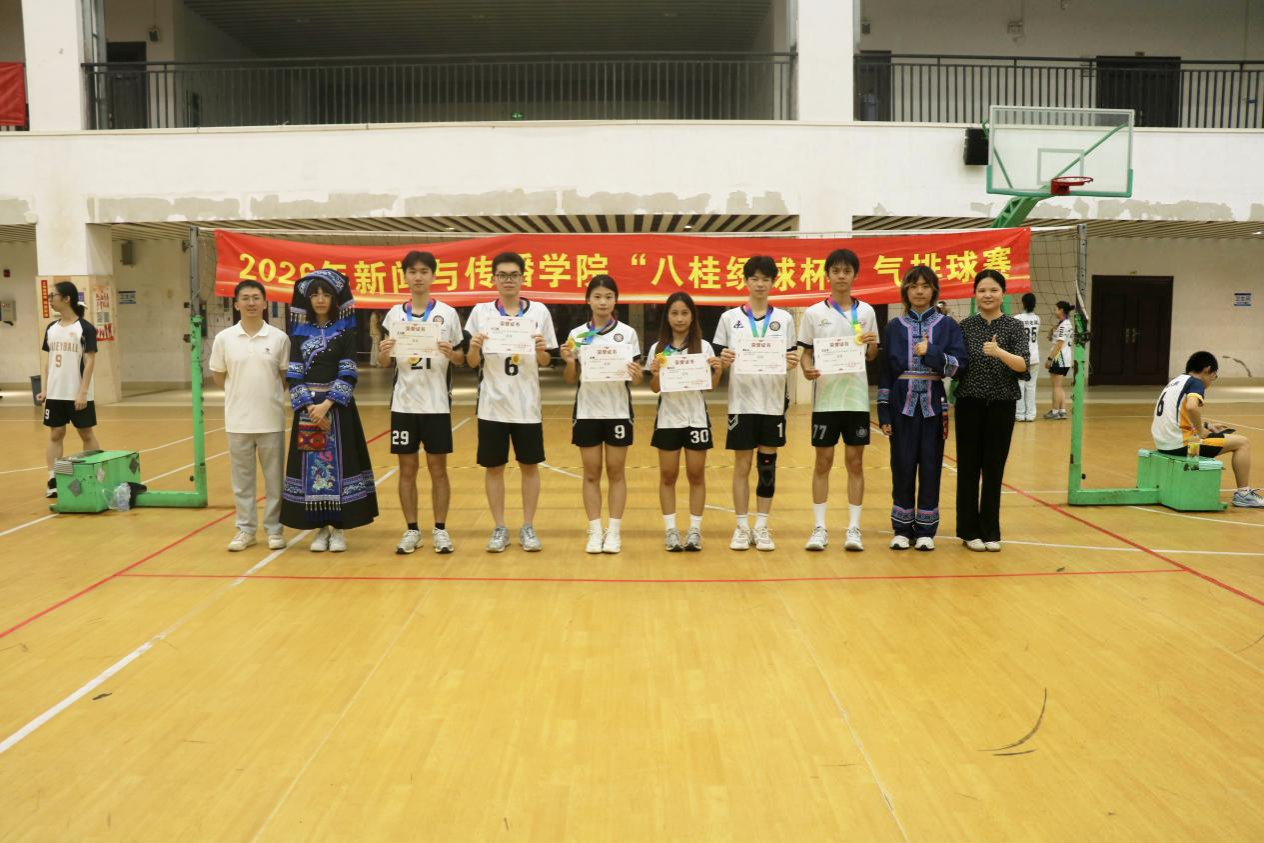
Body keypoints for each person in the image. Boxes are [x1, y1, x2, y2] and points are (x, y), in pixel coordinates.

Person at [465, 251, 559, 552]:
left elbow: (546, 361)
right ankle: (499, 527)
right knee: (494, 468)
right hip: (492, 404)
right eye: (502, 275)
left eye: (514, 275)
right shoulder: (481, 312)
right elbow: (471, 362)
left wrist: (541, 350)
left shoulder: (539, 312)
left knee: (529, 466)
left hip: (527, 405)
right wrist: (474, 347)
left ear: (522, 278)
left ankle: (528, 526)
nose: (508, 280)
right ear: (493, 279)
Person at [281, 269, 378, 551]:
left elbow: (349, 372)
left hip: (337, 410)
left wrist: (326, 404)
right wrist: (310, 407)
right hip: (308, 410)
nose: (320, 299)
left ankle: (338, 530)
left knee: (342, 467)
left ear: (335, 299)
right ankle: (319, 529)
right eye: (315, 294)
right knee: (310, 470)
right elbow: (294, 374)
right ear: (308, 300)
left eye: (326, 294)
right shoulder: (299, 334)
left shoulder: (345, 332)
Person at [378, 250, 466, 555]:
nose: (418, 277)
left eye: (424, 271)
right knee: (407, 469)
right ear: (405, 276)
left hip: (437, 404)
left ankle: (440, 529)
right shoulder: (394, 315)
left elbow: (461, 359)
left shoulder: (448, 314)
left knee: (438, 469)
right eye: (413, 271)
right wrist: (384, 352)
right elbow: (384, 364)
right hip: (403, 405)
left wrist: (451, 353)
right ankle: (412, 530)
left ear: (433, 276)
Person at [877, 265, 967, 551]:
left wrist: (932, 353)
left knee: (930, 465)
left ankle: (927, 530)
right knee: (901, 465)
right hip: (901, 406)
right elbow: (885, 373)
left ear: (934, 291)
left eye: (925, 286)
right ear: (905, 290)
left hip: (933, 407)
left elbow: (959, 367)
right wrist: (883, 412)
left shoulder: (947, 326)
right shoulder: (893, 327)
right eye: (913, 286)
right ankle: (902, 528)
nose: (919, 291)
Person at [713, 255, 799, 551]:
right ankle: (741, 527)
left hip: (772, 404)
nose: (760, 284)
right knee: (741, 465)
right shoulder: (729, 318)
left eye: (765, 279)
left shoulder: (784, 319)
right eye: (754, 278)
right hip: (741, 404)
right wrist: (722, 360)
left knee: (767, 467)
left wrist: (791, 362)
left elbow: (790, 357)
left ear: (773, 282)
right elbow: (718, 360)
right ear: (746, 281)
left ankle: (761, 527)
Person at [798, 248, 879, 552]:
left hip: (856, 400)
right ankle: (819, 528)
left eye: (847, 271)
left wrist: (872, 345)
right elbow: (806, 353)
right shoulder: (813, 313)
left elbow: (871, 355)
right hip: (826, 401)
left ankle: (853, 529)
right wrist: (807, 369)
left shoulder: (866, 312)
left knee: (855, 462)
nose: (841, 276)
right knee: (823, 461)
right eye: (836, 271)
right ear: (828, 275)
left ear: (855, 275)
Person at [561, 275, 643, 554]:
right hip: (587, 411)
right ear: (588, 300)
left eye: (608, 296)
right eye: (597, 296)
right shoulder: (577, 335)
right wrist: (569, 362)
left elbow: (637, 380)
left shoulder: (627, 334)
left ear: (616, 300)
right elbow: (570, 379)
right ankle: (595, 530)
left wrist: (636, 374)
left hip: (618, 411)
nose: (603, 302)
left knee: (616, 472)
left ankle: (614, 532)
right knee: (591, 473)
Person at [209, 280, 290, 552]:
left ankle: (275, 530)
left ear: (265, 303)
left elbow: (284, 377)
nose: (251, 303)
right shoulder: (224, 339)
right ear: (236, 304)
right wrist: (240, 393)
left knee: (275, 481)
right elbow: (218, 376)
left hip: (271, 421)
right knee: (242, 483)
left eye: (256, 298)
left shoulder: (279, 338)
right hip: (238, 422)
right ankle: (245, 530)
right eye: (245, 298)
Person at [954, 270, 1031, 551]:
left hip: (1002, 405)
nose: (988, 295)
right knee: (968, 469)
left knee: (994, 469)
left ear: (1003, 294)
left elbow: (1023, 365)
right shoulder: (965, 327)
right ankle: (968, 531)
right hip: (969, 404)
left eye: (994, 290)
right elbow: (956, 365)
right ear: (975, 294)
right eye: (982, 290)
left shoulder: (1014, 326)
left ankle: (990, 531)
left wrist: (999, 352)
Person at [647, 291, 722, 551]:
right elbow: (655, 388)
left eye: (684, 313)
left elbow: (710, 386)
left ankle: (694, 531)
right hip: (668, 419)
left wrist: (719, 370)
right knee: (668, 476)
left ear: (692, 316)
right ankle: (670, 530)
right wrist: (656, 374)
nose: (679, 318)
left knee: (696, 475)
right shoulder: (658, 349)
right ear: (667, 317)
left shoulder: (704, 347)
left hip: (696, 419)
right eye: (674, 313)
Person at [1152, 351, 1263, 508]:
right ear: (1207, 370)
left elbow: (1176, 416)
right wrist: (1201, 432)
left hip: (1163, 442)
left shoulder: (1175, 382)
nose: (1212, 380)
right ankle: (1244, 495)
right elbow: (1192, 407)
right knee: (1242, 443)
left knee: (1230, 439)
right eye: (1214, 376)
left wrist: (1206, 426)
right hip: (1180, 444)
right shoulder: (1196, 383)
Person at [37, 281, 100, 498]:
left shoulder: (85, 328)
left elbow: (90, 361)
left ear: (67, 299)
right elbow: (49, 362)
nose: (50, 300)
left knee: (86, 432)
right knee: (56, 433)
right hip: (55, 393)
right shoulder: (51, 328)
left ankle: (93, 475)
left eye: (53, 296)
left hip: (78, 393)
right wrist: (45, 389)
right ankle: (53, 479)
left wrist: (83, 391)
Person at [1043, 300, 1075, 420]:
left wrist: (1049, 359)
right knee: (1059, 386)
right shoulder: (1065, 324)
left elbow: (1059, 344)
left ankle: (1055, 412)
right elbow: (1055, 340)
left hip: (1059, 357)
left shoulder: (1063, 325)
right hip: (1065, 357)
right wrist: (1052, 331)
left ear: (1061, 310)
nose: (1054, 311)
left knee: (1056, 387)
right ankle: (1062, 411)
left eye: (1056, 309)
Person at [1014, 292, 1041, 422]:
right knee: (1031, 386)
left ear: (1023, 303)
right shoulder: (1037, 318)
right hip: (1034, 357)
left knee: (1020, 385)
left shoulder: (1017, 318)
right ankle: (1030, 415)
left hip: (1021, 357)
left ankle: (1020, 414)